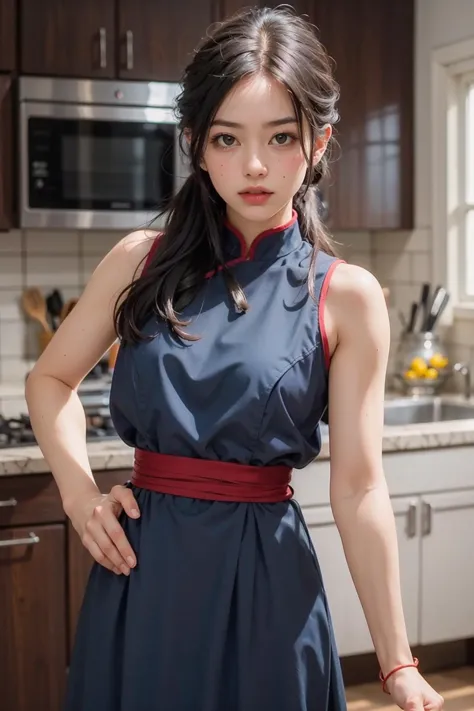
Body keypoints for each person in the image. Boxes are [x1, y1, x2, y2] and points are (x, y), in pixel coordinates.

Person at [25, 6, 445, 711]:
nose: (254, 165)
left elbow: (361, 488)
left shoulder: (347, 296)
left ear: (318, 143)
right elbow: (51, 379)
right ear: (195, 142)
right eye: (227, 138)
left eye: (281, 137)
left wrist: (396, 660)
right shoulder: (139, 261)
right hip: (142, 578)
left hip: (267, 588)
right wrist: (77, 494)